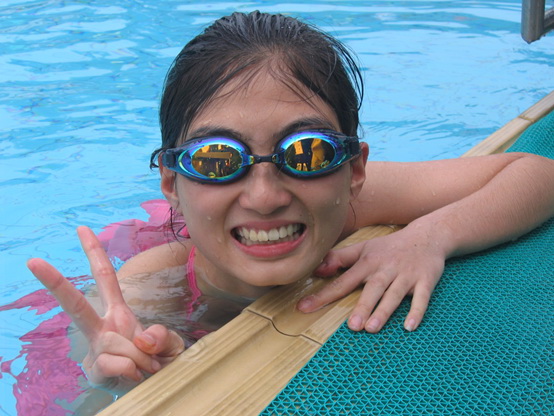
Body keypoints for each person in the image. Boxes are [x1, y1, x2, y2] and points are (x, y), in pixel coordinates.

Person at [27, 11, 554, 394]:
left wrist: (428, 236)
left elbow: (538, 173)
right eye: (217, 159)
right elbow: (86, 386)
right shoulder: (147, 291)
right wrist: (127, 380)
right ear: (171, 183)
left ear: (354, 170)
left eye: (307, 151)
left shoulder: (352, 200)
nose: (265, 196)